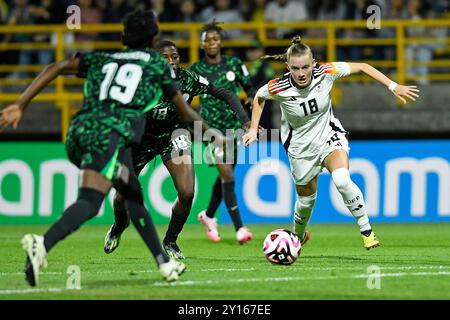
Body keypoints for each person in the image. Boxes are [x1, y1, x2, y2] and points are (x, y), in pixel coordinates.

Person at [0, 10, 224, 286]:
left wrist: (20, 104)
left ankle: (164, 263)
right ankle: (42, 243)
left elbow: (57, 67)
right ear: (153, 37)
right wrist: (213, 133)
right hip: (110, 136)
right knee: (92, 202)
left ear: (122, 37)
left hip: (79, 132)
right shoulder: (155, 65)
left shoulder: (103, 57)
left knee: (132, 193)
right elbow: (186, 112)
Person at [243, 36, 420, 249]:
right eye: (296, 68)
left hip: (329, 135)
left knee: (342, 179)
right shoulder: (278, 87)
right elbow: (258, 98)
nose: (301, 73)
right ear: (287, 66)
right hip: (300, 148)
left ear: (314, 63)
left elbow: (363, 66)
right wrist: (253, 128)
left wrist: (393, 86)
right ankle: (298, 236)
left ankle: (367, 230)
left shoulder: (326, 72)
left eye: (305, 67)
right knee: (306, 201)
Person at [104, 39, 251, 260]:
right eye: (165, 58)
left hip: (174, 135)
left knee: (187, 192)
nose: (172, 62)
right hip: (140, 139)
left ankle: (170, 240)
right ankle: (119, 225)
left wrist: (246, 122)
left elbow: (227, 94)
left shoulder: (188, 79)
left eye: (175, 57)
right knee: (122, 195)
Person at [190, 21, 256, 244]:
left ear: (221, 42)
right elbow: (184, 100)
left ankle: (208, 216)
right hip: (211, 131)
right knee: (227, 175)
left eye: (215, 39)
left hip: (234, 130)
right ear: (202, 44)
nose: (212, 43)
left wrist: (249, 99)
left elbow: (250, 89)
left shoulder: (235, 64)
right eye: (207, 40)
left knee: (225, 177)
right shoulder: (196, 70)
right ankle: (240, 228)